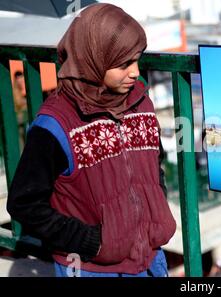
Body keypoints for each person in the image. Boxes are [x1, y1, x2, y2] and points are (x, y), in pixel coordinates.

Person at [7, 3, 176, 277]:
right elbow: (23, 204)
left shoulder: (141, 103)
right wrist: (92, 241)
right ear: (94, 60)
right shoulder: (56, 124)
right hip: (91, 268)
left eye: (136, 60)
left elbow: (153, 166)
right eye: (123, 64)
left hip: (151, 260)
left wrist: (155, 211)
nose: (134, 72)